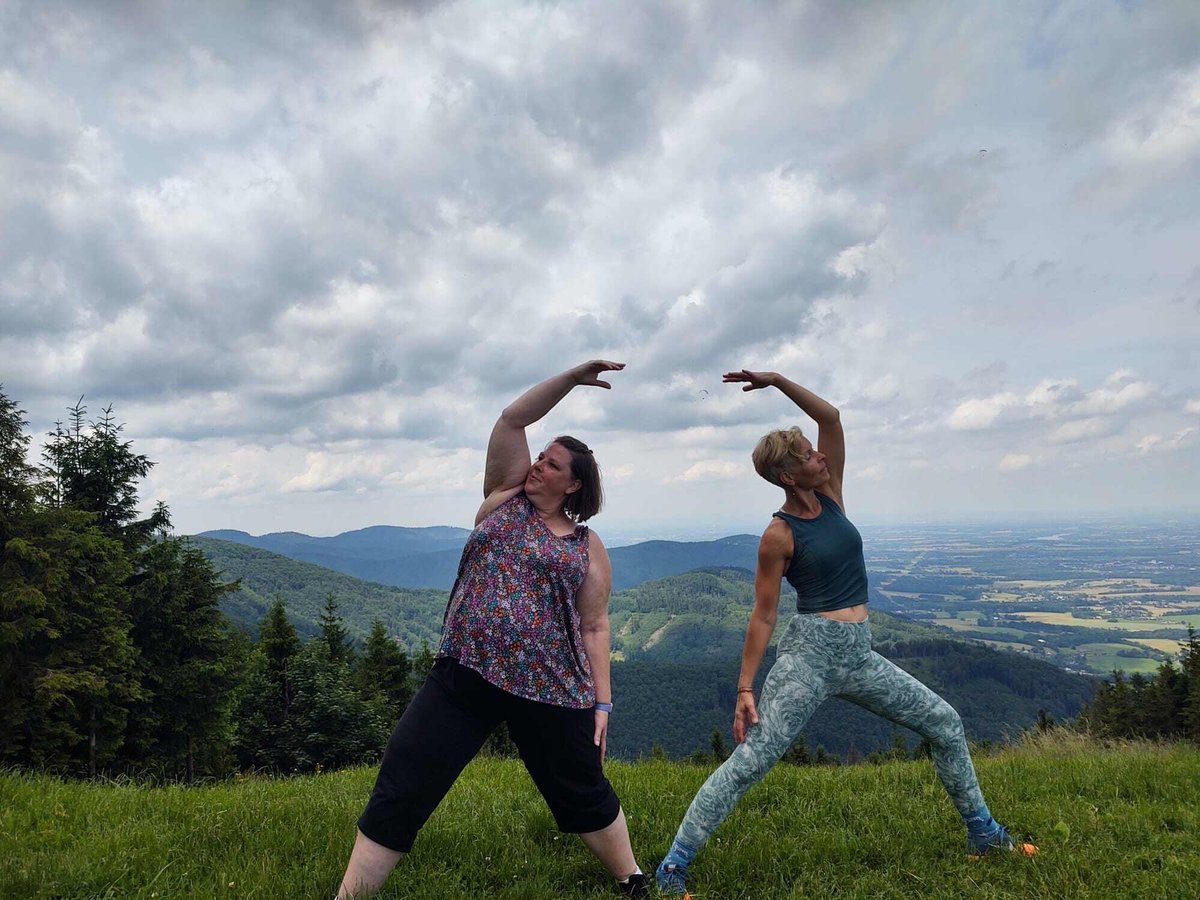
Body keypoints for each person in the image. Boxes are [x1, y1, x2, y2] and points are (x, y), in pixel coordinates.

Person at [656, 369, 1036, 897]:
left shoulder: (831, 497)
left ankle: (984, 832)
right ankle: (674, 865)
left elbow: (830, 417)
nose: (822, 457)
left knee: (945, 723)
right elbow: (763, 614)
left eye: (817, 452)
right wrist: (746, 687)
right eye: (809, 456)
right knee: (754, 759)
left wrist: (776, 380)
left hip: (859, 654)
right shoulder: (778, 535)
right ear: (789, 476)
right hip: (809, 657)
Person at [338, 360, 647, 899]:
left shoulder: (585, 545)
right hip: (465, 672)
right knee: (406, 776)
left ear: (573, 484)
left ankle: (632, 880)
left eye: (552, 466)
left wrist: (602, 705)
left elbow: (595, 627)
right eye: (541, 458)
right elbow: (511, 420)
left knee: (579, 788)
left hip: (550, 687)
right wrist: (572, 378)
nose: (539, 468)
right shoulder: (503, 499)